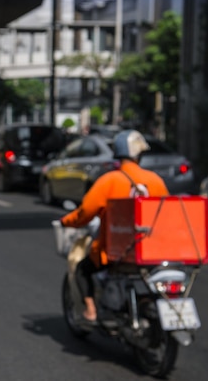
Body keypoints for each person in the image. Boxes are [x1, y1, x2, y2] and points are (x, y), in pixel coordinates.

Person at [60, 129, 169, 322]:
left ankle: (91, 311)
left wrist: (66, 221)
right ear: (139, 155)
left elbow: (85, 212)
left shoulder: (109, 181)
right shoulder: (156, 180)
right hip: (153, 250)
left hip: (117, 252)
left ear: (118, 154)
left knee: (82, 270)